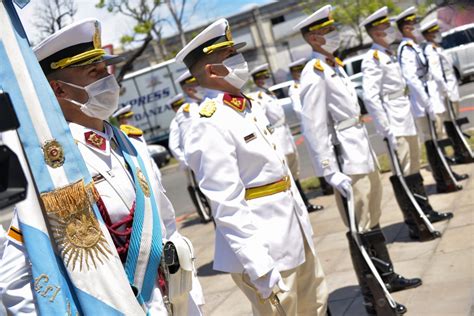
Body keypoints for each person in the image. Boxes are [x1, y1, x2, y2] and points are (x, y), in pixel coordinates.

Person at [0, 19, 203, 315]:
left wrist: (190, 295)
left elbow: (167, 226)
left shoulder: (132, 145)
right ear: (58, 88)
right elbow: (14, 280)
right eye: (92, 72)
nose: (107, 78)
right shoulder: (53, 170)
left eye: (105, 69)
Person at [175, 18, 328, 315]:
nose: (240, 60)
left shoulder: (245, 106)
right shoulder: (208, 122)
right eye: (230, 55)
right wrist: (257, 265)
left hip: (293, 232)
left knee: (316, 305)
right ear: (211, 70)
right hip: (265, 247)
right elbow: (225, 201)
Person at [294, 5, 421, 314]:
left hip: (360, 150)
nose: (333, 35)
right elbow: (314, 128)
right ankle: (374, 298)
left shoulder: (332, 66)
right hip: (345, 161)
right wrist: (329, 171)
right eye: (326, 31)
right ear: (313, 38)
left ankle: (386, 277)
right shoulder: (315, 73)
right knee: (359, 226)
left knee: (371, 219)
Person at [360, 6, 453, 239]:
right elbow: (371, 97)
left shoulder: (388, 54)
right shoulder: (373, 59)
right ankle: (415, 224)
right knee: (403, 173)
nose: (389, 30)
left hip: (405, 117)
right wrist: (385, 128)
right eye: (384, 27)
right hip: (394, 123)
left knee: (413, 170)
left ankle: (425, 211)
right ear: (375, 32)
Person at [395, 7, 468, 192]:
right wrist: (427, 101)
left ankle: (448, 174)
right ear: (405, 28)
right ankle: (443, 181)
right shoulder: (406, 49)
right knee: (432, 142)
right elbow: (412, 78)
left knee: (439, 140)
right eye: (412, 24)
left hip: (429, 102)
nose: (416, 26)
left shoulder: (414, 47)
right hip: (423, 105)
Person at [249, 63, 323, 213]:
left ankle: (302, 203)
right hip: (277, 136)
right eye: (262, 78)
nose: (265, 80)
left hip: (286, 134)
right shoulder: (258, 97)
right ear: (256, 80)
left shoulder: (269, 93)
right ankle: (300, 205)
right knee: (287, 173)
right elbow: (261, 120)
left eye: (266, 77)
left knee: (295, 173)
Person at [420, 19, 467, 163]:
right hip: (446, 92)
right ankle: (459, 152)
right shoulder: (429, 49)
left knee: (454, 122)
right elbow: (436, 73)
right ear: (428, 35)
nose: (438, 34)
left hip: (452, 89)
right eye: (435, 32)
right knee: (450, 123)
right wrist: (445, 90)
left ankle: (461, 150)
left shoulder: (437, 47)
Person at [287, 58, 334, 196]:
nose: (299, 73)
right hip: (310, 124)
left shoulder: (307, 81)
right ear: (292, 73)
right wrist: (313, 117)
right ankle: (326, 186)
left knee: (328, 152)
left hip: (321, 122)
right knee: (318, 155)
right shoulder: (294, 88)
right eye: (296, 71)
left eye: (300, 70)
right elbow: (297, 109)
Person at [168, 89, 212, 223]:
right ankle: (204, 214)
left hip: (198, 156)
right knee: (195, 187)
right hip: (188, 160)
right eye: (177, 106)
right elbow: (173, 145)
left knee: (205, 184)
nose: (180, 108)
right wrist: (184, 160)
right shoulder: (175, 123)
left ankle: (210, 210)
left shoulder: (190, 115)